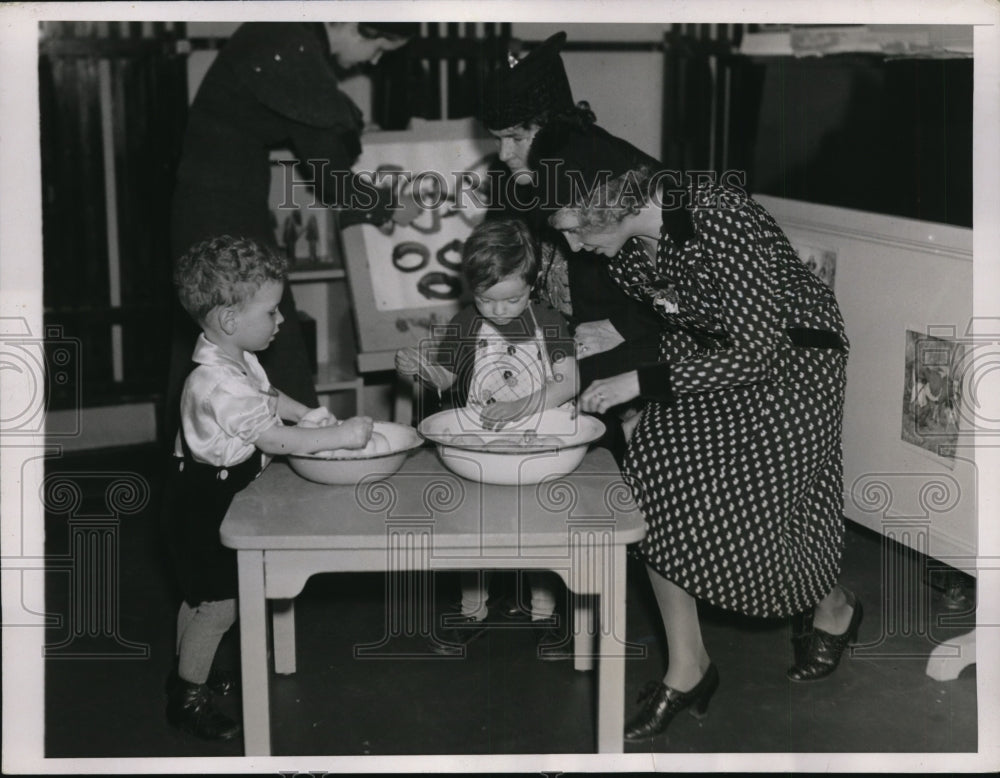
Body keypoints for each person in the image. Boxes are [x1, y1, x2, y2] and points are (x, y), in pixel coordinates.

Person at [529, 122, 862, 742]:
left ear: (608, 197)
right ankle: (689, 666)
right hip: (705, 363)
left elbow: (762, 350)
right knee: (653, 475)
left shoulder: (720, 214)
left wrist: (636, 381)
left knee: (758, 515)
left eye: (575, 226)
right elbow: (669, 328)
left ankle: (834, 608)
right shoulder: (627, 249)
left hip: (792, 365)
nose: (572, 245)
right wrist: (601, 363)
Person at [163, 235, 375, 740]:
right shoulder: (216, 384)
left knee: (200, 598)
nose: (281, 322)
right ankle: (187, 695)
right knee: (218, 604)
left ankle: (198, 665)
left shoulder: (233, 357)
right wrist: (337, 435)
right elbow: (272, 438)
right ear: (231, 321)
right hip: (202, 498)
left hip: (215, 486)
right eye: (273, 312)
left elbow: (270, 398)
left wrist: (307, 412)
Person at [166, 21, 416, 446]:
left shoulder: (285, 35)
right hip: (220, 208)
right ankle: (306, 451)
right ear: (356, 25)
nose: (373, 62)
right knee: (272, 332)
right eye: (378, 47)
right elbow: (331, 178)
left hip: (210, 202)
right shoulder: (294, 48)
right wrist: (390, 205)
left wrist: (352, 133)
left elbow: (319, 117)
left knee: (212, 336)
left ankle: (213, 455)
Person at [395, 218, 578, 656]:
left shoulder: (548, 322)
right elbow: (448, 379)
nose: (497, 311)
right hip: (482, 443)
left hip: (538, 443)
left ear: (532, 287)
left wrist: (522, 404)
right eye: (485, 299)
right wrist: (422, 370)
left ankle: (544, 611)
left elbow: (569, 382)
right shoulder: (465, 324)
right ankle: (473, 609)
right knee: (472, 529)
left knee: (538, 529)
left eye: (511, 299)